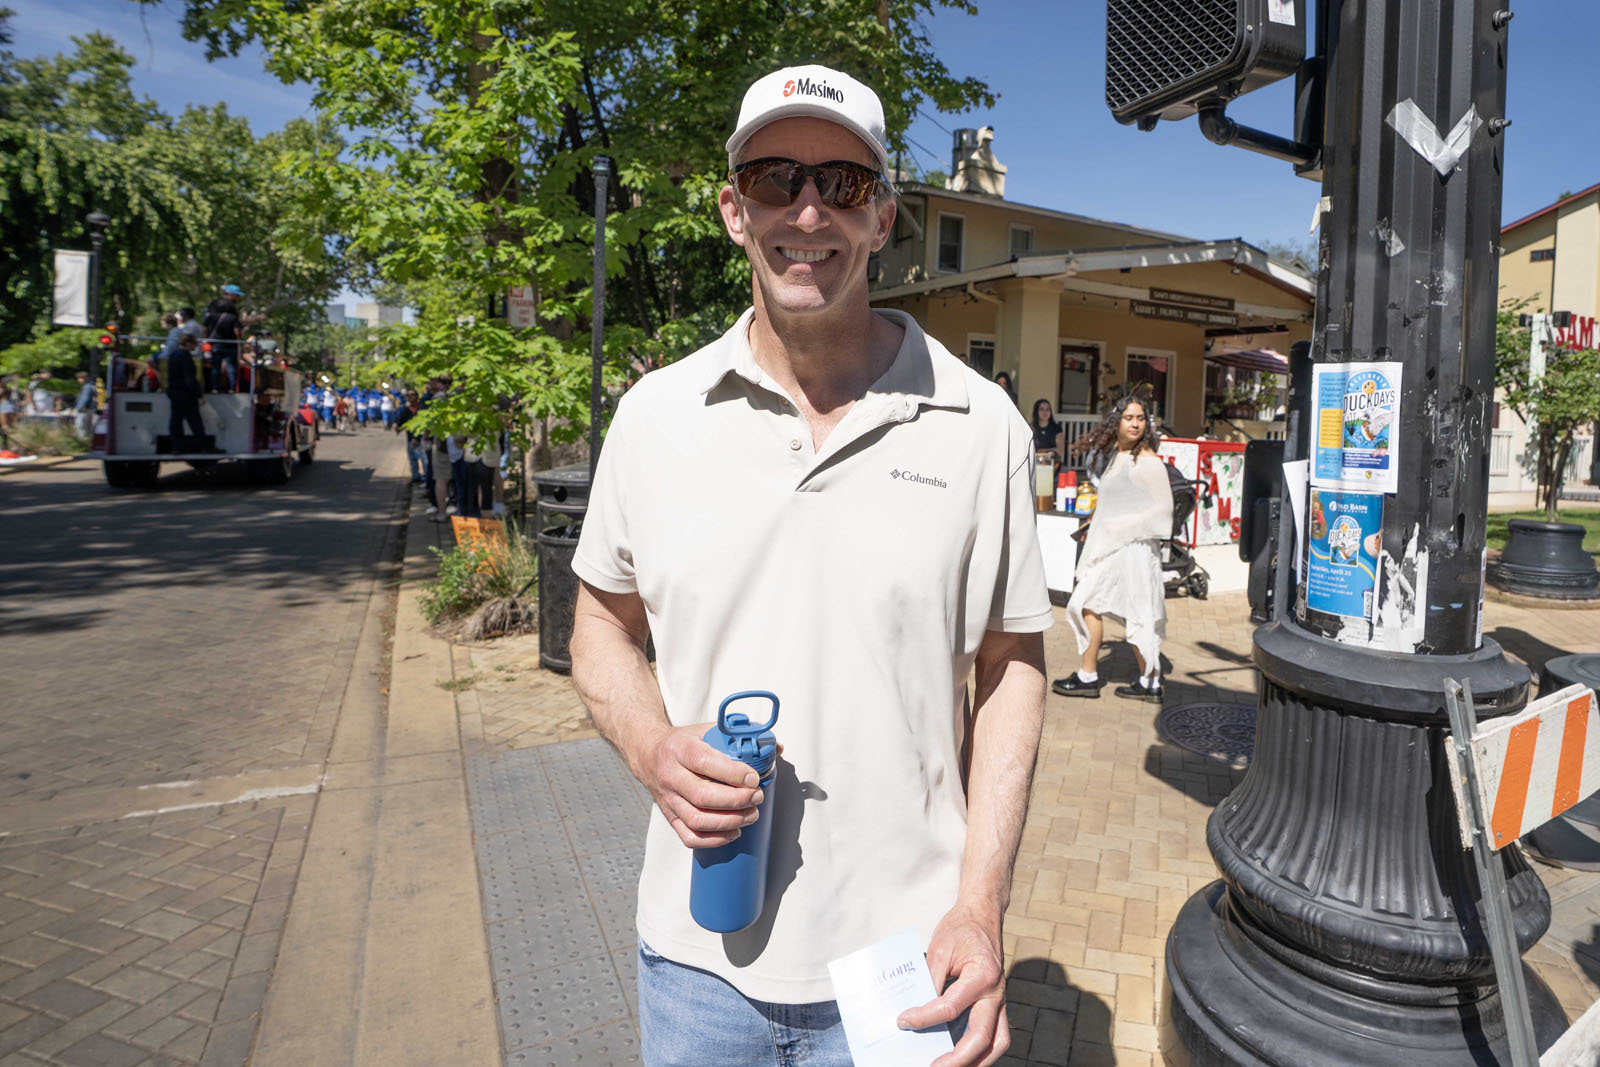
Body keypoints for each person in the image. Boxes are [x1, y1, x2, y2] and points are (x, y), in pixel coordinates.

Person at [568, 65, 1050, 1067]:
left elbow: (1012, 665)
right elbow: (600, 625)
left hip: (909, 962)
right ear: (732, 210)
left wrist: (979, 903)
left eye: (843, 183)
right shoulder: (654, 418)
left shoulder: (981, 425)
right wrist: (652, 747)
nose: (808, 210)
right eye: (774, 178)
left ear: (882, 218)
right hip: (698, 965)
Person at [1051, 395, 1173, 702]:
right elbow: (1117, 502)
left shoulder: (1147, 460)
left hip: (1135, 550)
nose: (1135, 424)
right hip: (1114, 547)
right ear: (1116, 421)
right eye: (1129, 417)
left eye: (1140, 418)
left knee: (1134, 612)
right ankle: (1097, 676)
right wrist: (1097, 524)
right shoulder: (1121, 455)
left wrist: (1120, 526)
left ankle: (1146, 680)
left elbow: (1163, 510)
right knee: (1088, 603)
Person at [166, 334, 207, 452]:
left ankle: (177, 446)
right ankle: (203, 446)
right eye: (194, 343)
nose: (195, 346)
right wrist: (198, 394)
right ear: (188, 343)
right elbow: (190, 378)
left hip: (174, 392)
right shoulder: (185, 356)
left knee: (176, 420)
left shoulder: (173, 355)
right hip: (185, 393)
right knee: (195, 421)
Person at [203, 285, 244, 392]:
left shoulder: (211, 316)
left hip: (215, 344)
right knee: (231, 367)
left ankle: (214, 388)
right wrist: (240, 342)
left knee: (215, 367)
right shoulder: (233, 318)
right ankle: (232, 388)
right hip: (230, 346)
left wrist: (205, 340)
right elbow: (237, 331)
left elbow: (204, 328)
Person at [1030, 398, 1064, 462]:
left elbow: (1060, 451)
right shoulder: (1030, 428)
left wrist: (1039, 451)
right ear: (1036, 411)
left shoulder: (1056, 429)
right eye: (1041, 409)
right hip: (1034, 462)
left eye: (1047, 409)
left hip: (1052, 462)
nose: (1045, 412)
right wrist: (1050, 450)